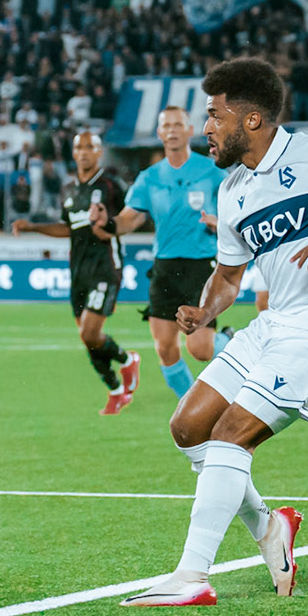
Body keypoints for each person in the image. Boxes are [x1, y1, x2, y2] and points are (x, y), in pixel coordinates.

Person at [122, 58, 308, 607]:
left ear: (251, 120)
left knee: (231, 435)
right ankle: (268, 527)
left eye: (213, 116)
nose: (205, 128)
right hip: (275, 323)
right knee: (189, 428)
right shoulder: (232, 189)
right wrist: (205, 311)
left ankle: (192, 576)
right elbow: (230, 275)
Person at [105, 105, 229, 402]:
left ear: (189, 131)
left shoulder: (212, 172)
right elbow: (129, 219)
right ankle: (192, 406)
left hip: (201, 266)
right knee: (165, 349)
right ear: (159, 133)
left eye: (178, 124)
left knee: (199, 350)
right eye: (166, 125)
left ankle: (233, 341)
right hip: (164, 267)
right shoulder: (149, 178)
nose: (172, 130)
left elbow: (236, 214)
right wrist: (106, 224)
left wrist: (220, 223)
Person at [12, 129, 140, 414]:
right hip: (78, 272)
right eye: (78, 147)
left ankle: (127, 360)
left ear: (98, 152)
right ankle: (116, 390)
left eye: (89, 147)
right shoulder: (69, 190)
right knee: (87, 337)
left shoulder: (111, 185)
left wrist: (112, 224)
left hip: (106, 268)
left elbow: (134, 217)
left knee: (90, 332)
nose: (83, 152)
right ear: (73, 153)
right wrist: (32, 226)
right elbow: (67, 228)